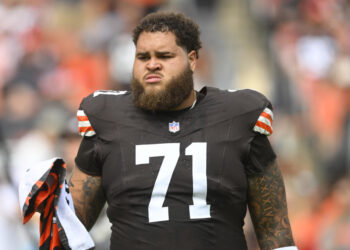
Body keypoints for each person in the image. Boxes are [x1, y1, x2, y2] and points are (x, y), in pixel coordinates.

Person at [69, 11, 297, 250]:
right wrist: (50, 205)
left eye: (164, 56)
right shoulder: (108, 118)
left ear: (192, 60)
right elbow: (71, 228)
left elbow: (275, 232)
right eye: (143, 57)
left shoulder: (238, 117)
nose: (152, 64)